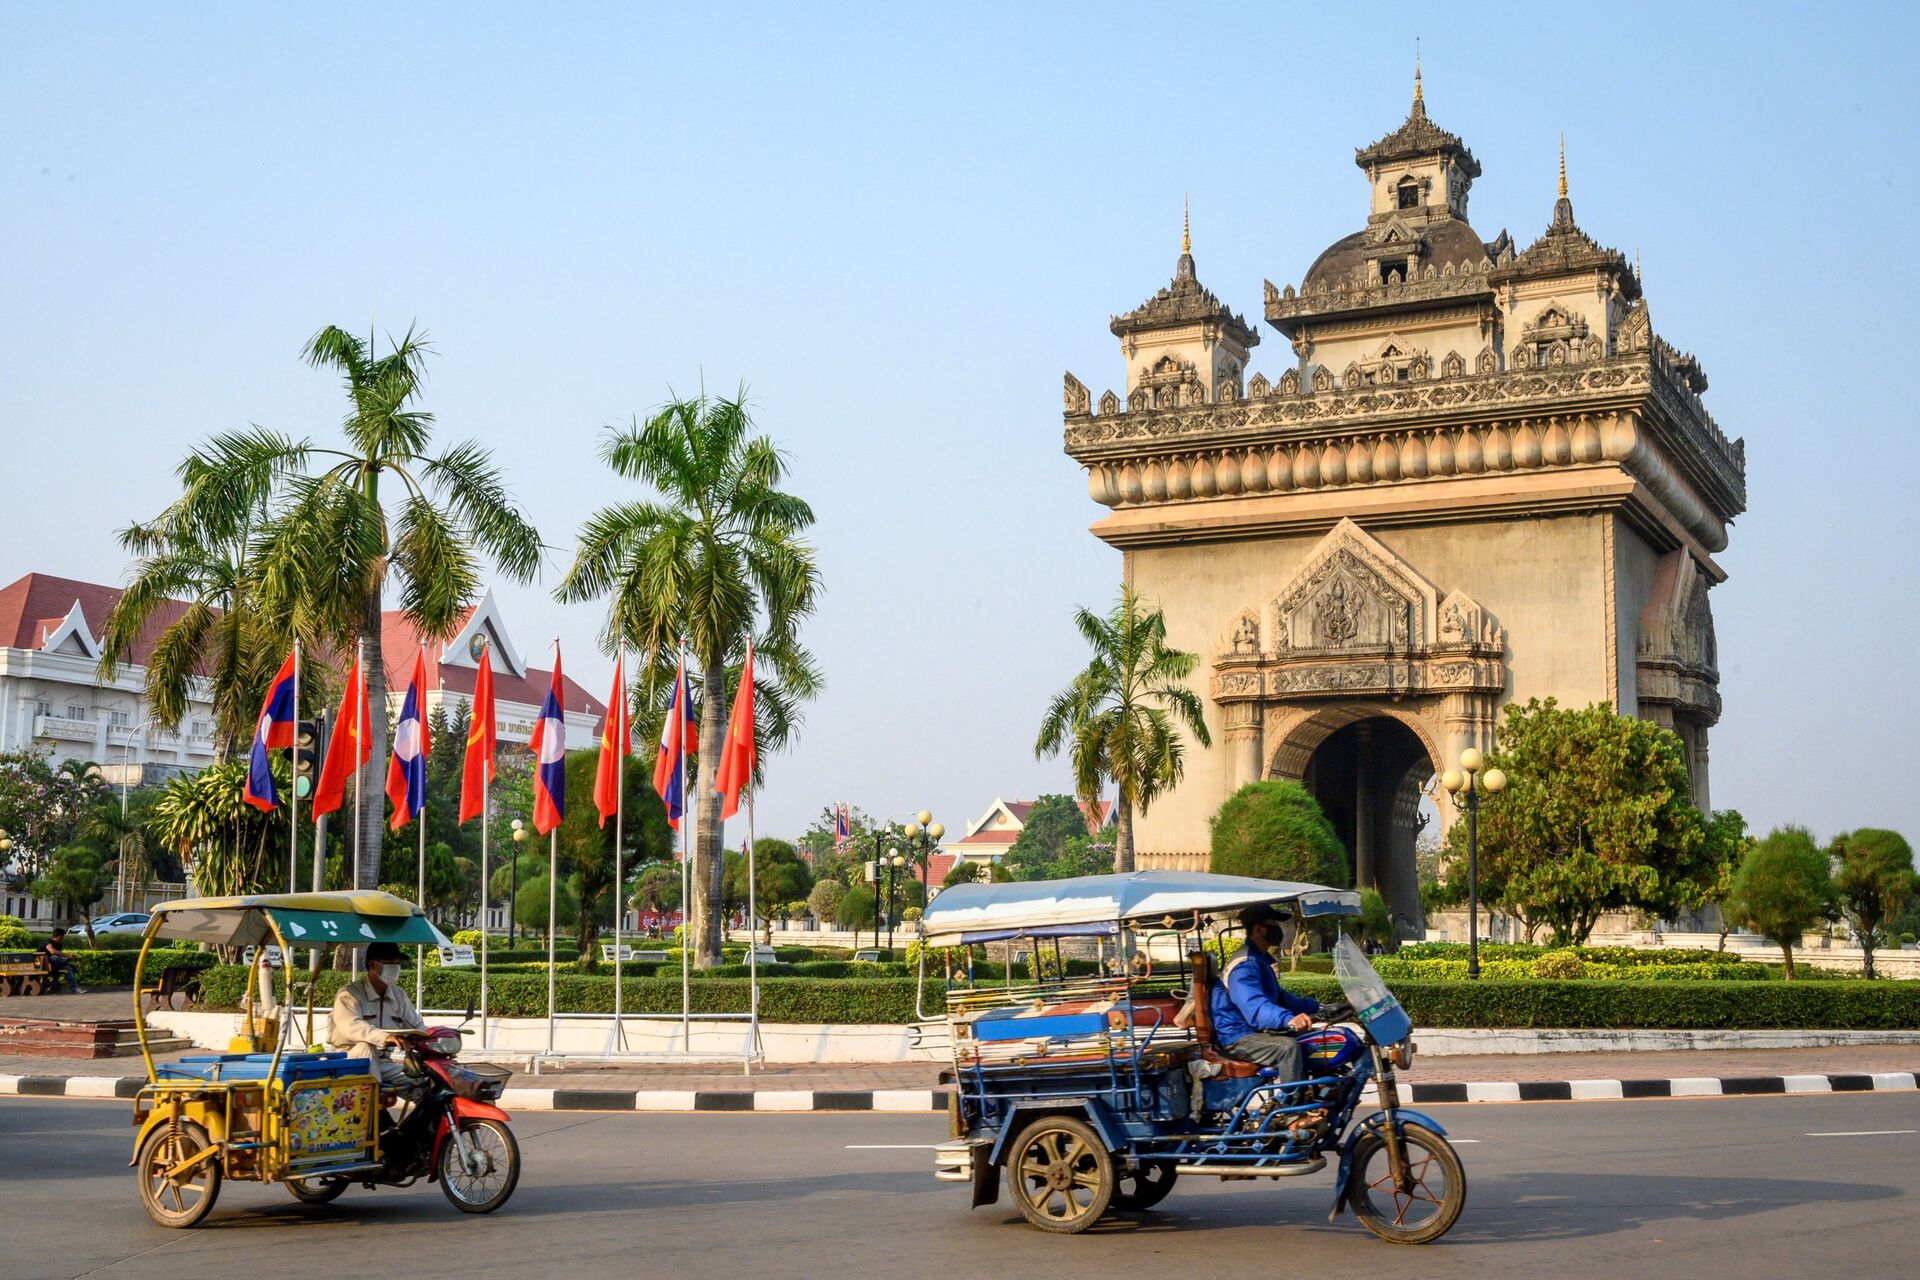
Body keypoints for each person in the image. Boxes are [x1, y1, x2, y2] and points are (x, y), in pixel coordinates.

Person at [1209, 903, 1320, 1078]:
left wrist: (1317, 1007)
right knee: (1287, 1048)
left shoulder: (1258, 959)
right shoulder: (1244, 965)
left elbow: (1280, 997)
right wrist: (1289, 1019)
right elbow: (1255, 1006)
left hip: (1250, 1032)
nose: (1278, 929)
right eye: (1273, 925)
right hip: (1238, 1037)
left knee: (1317, 1039)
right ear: (1259, 929)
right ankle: (1291, 1101)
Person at [328, 942, 427, 1087]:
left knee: (422, 1083)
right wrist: (385, 1037)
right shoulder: (349, 994)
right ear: (372, 965)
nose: (394, 969)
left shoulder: (399, 996)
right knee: (365, 1047)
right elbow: (352, 1027)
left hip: (384, 1063)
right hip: (350, 1059)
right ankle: (373, 1102)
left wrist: (433, 1038)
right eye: (389, 964)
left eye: (397, 964)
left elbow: (417, 1025)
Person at [38, 927, 85, 994]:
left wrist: (68, 958)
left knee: (68, 969)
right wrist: (67, 955)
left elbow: (59, 956)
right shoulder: (47, 942)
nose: (61, 940)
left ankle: (74, 988)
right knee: (56, 958)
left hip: (55, 964)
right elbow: (52, 951)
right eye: (60, 938)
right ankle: (72, 965)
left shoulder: (59, 944)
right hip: (43, 963)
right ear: (57, 936)